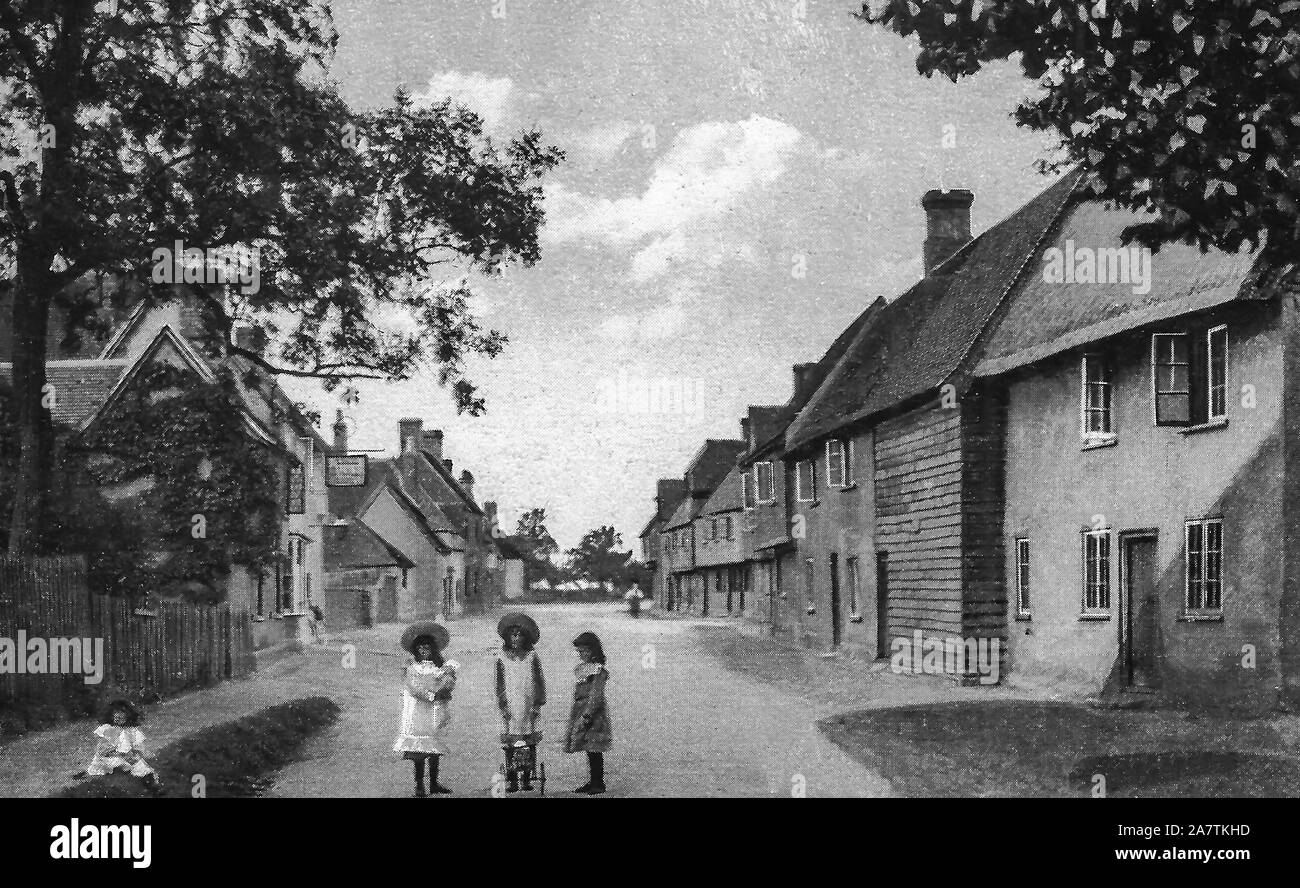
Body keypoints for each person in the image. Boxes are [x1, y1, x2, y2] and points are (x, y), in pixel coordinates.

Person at [393, 622, 458, 796]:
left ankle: (434, 783)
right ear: (415, 649)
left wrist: (447, 681)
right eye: (420, 647)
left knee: (434, 748)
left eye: (427, 646)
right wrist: (431, 695)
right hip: (418, 712)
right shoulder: (412, 667)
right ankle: (420, 785)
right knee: (420, 750)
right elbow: (413, 688)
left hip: (434, 712)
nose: (423, 650)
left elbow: (447, 683)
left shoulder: (439, 667)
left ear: (433, 648)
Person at [495, 612, 545, 792]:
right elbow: (499, 683)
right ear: (507, 637)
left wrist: (537, 704)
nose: (516, 638)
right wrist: (503, 705)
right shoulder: (501, 658)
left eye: (519, 635)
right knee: (512, 743)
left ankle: (526, 777)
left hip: (529, 704)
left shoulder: (532, 657)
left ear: (526, 638)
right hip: (511, 705)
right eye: (513, 635)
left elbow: (539, 681)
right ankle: (513, 778)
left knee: (528, 742)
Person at [75, 699, 163, 795]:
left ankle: (153, 786)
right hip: (108, 758)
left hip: (126, 758)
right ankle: (86, 776)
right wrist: (119, 753)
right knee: (104, 767)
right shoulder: (107, 730)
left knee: (141, 766)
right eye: (116, 717)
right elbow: (102, 751)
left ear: (128, 717)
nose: (118, 719)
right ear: (111, 716)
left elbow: (138, 747)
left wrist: (136, 754)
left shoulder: (132, 731)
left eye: (122, 717)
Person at [564, 631, 611, 795]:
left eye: (583, 651)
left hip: (593, 714)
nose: (580, 654)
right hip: (581, 711)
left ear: (593, 650)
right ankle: (593, 781)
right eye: (579, 651)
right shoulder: (583, 669)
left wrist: (587, 715)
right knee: (588, 748)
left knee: (594, 748)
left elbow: (596, 695)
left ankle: (598, 783)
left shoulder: (598, 671)